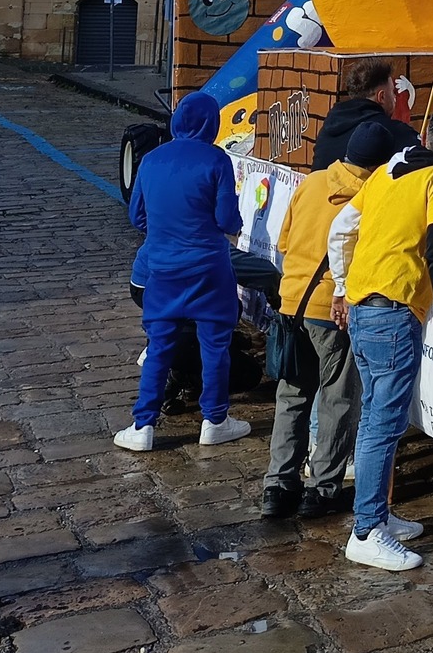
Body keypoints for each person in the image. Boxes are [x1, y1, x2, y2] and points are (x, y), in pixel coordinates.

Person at [327, 107, 433, 571]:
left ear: (425, 134)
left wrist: (342, 286)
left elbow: (341, 228)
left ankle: (377, 514)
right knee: (383, 425)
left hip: (363, 302)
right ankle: (366, 530)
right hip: (392, 308)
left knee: (375, 415)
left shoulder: (385, 173)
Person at [261, 119, 398, 518]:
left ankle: (278, 486)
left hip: (292, 304)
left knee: (292, 396)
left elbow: (284, 242)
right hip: (333, 312)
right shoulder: (372, 196)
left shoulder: (312, 182)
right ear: (378, 165)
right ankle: (322, 488)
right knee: (337, 399)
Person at [115, 93, 252, 452]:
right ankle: (215, 420)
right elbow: (227, 219)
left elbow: (137, 216)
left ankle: (143, 425)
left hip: (163, 268)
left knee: (159, 346)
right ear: (212, 124)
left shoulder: (151, 160)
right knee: (215, 346)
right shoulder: (217, 159)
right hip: (209, 268)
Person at [313, 61, 421, 170]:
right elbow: (423, 158)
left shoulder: (329, 127)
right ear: (382, 96)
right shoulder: (393, 130)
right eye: (393, 92)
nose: (395, 98)